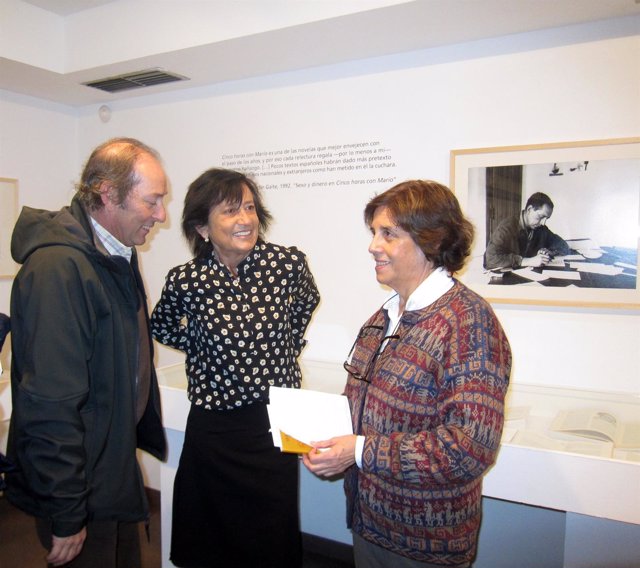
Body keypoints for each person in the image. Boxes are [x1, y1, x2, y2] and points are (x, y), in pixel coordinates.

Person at [303, 180, 512, 568]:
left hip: (425, 544)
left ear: (429, 241)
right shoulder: (384, 317)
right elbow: (367, 410)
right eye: (374, 233)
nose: (372, 246)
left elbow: (469, 448)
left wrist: (360, 451)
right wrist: (335, 448)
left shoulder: (468, 322)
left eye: (388, 234)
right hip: (370, 526)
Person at [6, 138, 168, 567]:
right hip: (80, 484)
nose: (161, 215)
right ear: (106, 192)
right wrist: (66, 510)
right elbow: (50, 403)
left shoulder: (114, 255)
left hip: (108, 469)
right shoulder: (58, 270)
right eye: (151, 201)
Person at [150, 168, 320, 568]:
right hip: (213, 428)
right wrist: (205, 348)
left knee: (270, 533)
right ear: (202, 227)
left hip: (273, 423)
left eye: (249, 207)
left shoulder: (287, 264)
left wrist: (283, 348)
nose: (245, 219)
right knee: (211, 536)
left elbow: (305, 304)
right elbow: (160, 326)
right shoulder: (186, 280)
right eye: (229, 211)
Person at [483, 191, 570, 270]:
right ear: (529, 210)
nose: (543, 223)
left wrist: (549, 251)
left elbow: (563, 245)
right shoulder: (506, 228)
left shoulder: (541, 228)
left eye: (546, 218)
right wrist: (526, 261)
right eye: (540, 217)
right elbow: (489, 259)